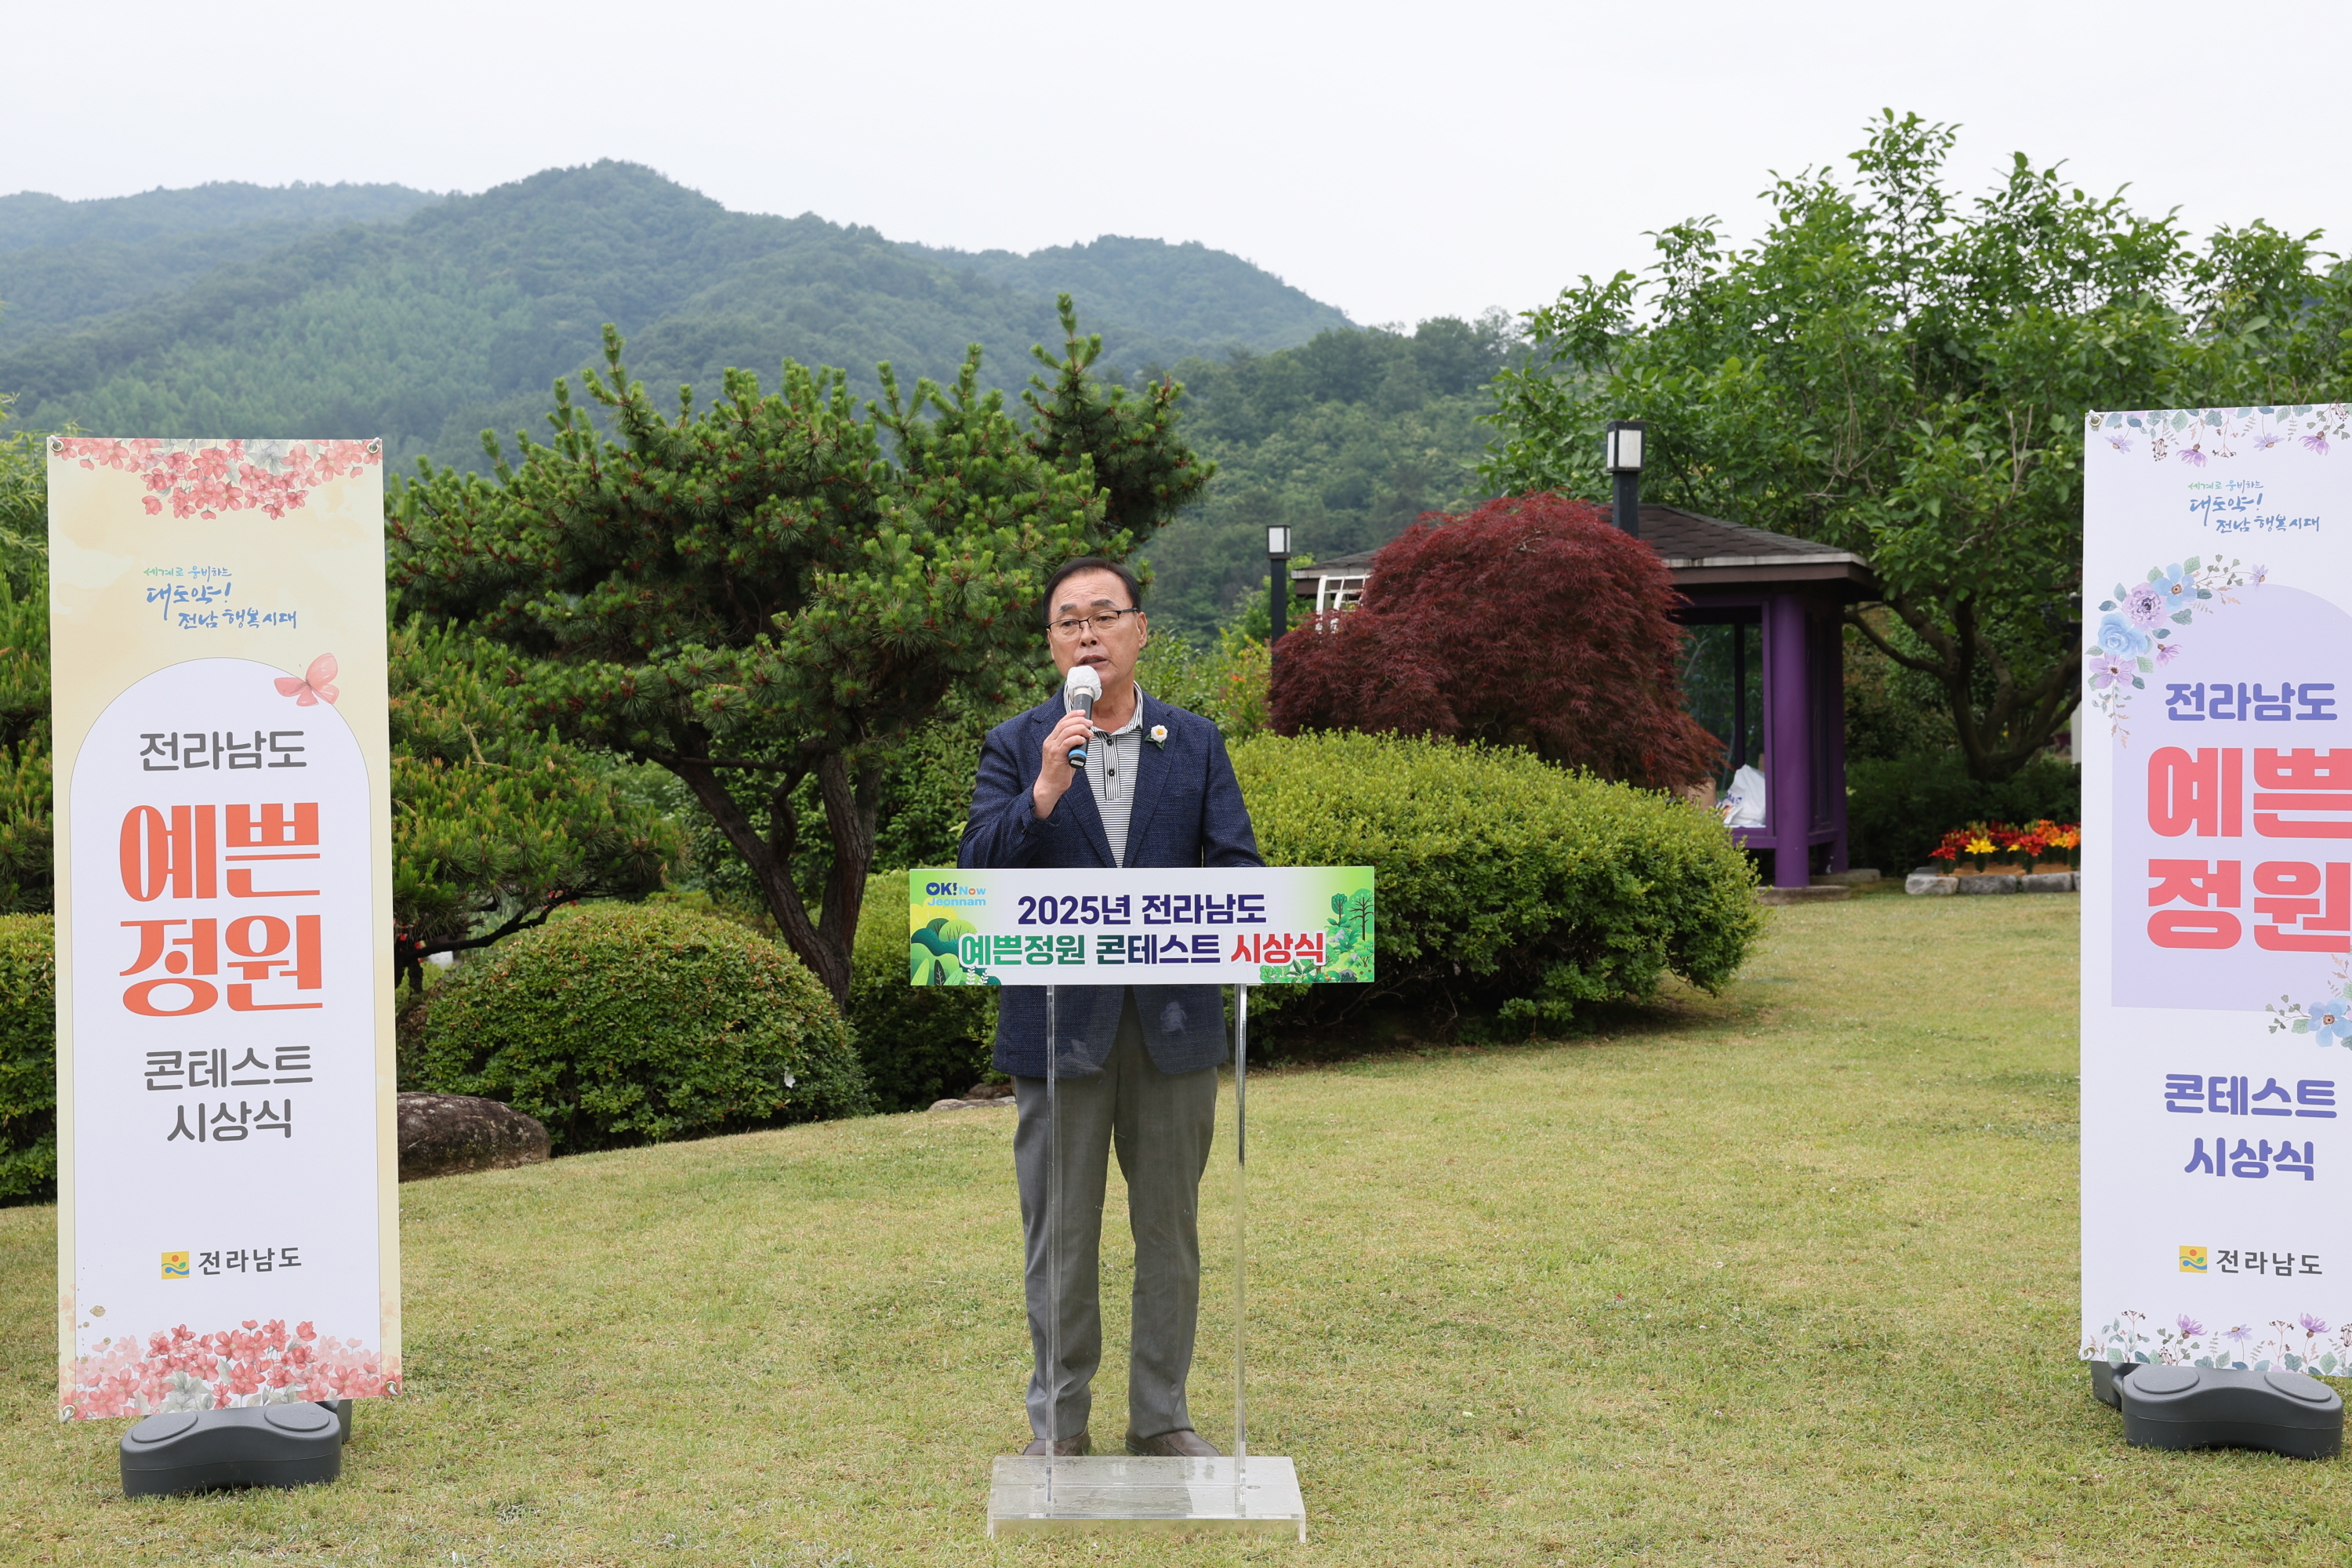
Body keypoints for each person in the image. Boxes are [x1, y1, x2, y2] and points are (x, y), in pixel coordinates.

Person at [958, 556, 1263, 1459]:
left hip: (1175, 1026)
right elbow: (977, 874)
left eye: (1104, 614)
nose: (1087, 633)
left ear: (1139, 630)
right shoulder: (1019, 743)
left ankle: (1162, 1414)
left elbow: (1238, 867)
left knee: (1169, 1229)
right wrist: (1045, 790)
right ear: (1052, 644)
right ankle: (1061, 1422)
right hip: (1058, 1026)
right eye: (1067, 621)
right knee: (1060, 1233)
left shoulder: (1197, 741)